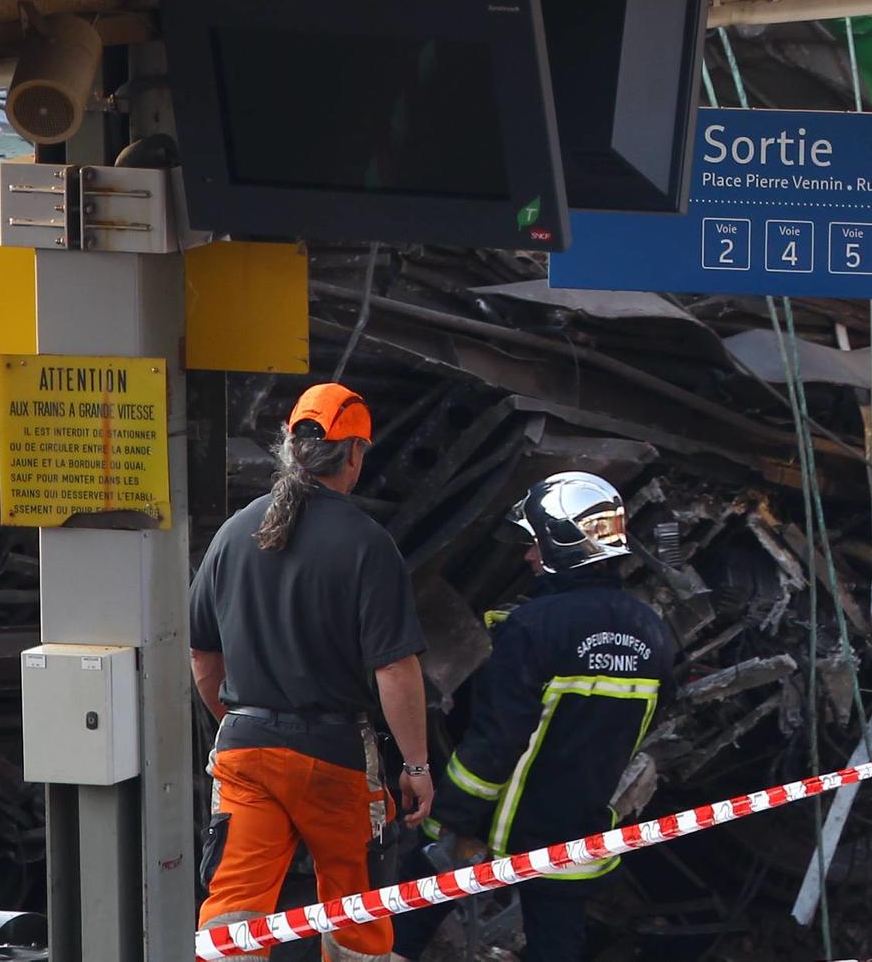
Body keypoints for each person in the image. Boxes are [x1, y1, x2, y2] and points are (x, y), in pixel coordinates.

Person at [190, 383, 433, 961]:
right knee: (355, 908)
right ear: (352, 454)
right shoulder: (366, 544)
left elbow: (203, 657)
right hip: (335, 756)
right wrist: (417, 764)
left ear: (289, 448)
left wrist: (242, 722)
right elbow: (394, 667)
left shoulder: (233, 533)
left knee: (234, 911)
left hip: (245, 751)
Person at [409, 474, 676, 962]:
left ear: (565, 542)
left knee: (404, 928)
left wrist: (448, 819)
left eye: (535, 543)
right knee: (558, 947)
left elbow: (497, 741)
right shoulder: (653, 633)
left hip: (497, 825)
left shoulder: (533, 628)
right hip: (575, 831)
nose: (528, 557)